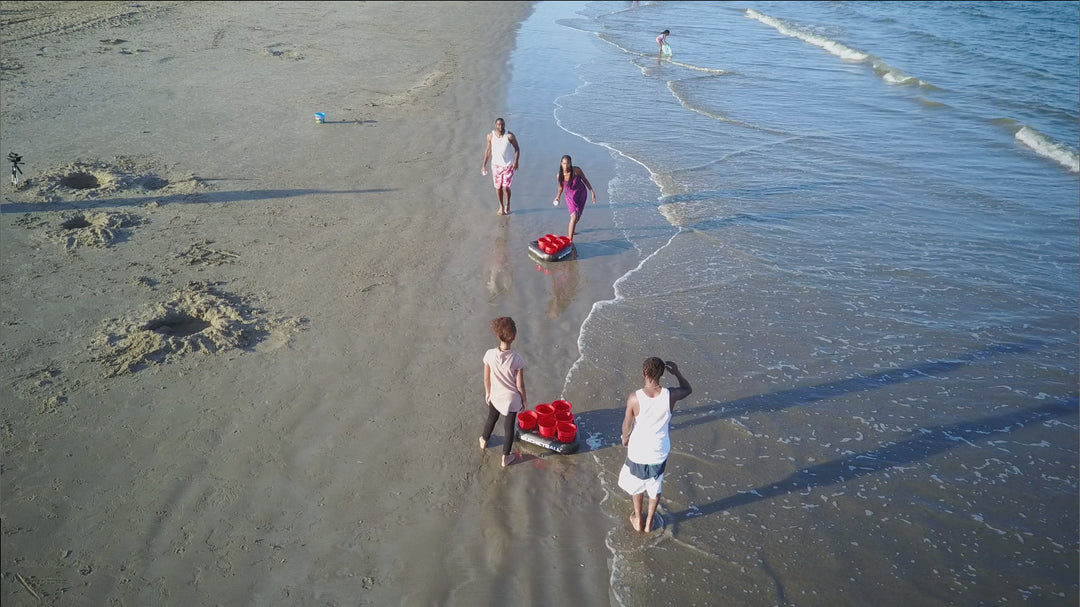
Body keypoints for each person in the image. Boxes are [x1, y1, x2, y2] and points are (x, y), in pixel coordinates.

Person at [618, 357, 692, 532]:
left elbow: (627, 424)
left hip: (639, 449)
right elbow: (688, 389)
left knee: (637, 484)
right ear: (662, 373)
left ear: (644, 373)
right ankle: (650, 521)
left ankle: (638, 518)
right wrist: (677, 372)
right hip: (660, 449)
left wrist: (625, 438)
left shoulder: (634, 398)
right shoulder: (670, 395)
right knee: (655, 483)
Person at [480, 316, 527, 467]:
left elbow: (486, 378)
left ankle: (484, 440)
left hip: (495, 395)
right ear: (513, 338)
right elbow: (520, 385)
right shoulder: (517, 359)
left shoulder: (489, 354)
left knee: (491, 419)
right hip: (511, 400)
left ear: (496, 334)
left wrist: (488, 393)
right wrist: (524, 400)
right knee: (509, 429)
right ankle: (505, 457)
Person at [552, 154, 596, 242]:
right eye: (564, 163)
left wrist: (592, 192)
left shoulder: (576, 171)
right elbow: (560, 187)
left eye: (568, 163)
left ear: (571, 163)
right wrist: (558, 197)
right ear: (561, 164)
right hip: (570, 196)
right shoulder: (559, 175)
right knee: (573, 216)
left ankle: (572, 230)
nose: (566, 166)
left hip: (581, 194)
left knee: (577, 217)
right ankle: (570, 241)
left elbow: (585, 180)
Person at [481, 117, 521, 215]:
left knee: (505, 188)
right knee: (498, 188)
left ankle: (508, 204)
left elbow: (517, 148)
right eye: (499, 124)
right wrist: (484, 165)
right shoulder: (490, 136)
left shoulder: (509, 136)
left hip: (508, 165)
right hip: (496, 165)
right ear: (495, 125)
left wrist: (516, 161)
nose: (501, 126)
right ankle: (501, 206)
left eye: (502, 124)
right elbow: (488, 150)